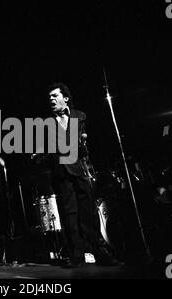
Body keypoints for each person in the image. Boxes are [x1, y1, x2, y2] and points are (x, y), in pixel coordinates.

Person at [43, 82, 119, 268]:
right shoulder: (47, 123)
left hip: (80, 170)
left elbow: (86, 143)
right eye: (50, 97)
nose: (51, 99)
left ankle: (99, 251)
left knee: (89, 214)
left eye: (55, 96)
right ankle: (75, 255)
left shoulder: (80, 116)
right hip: (62, 172)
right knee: (69, 214)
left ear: (65, 98)